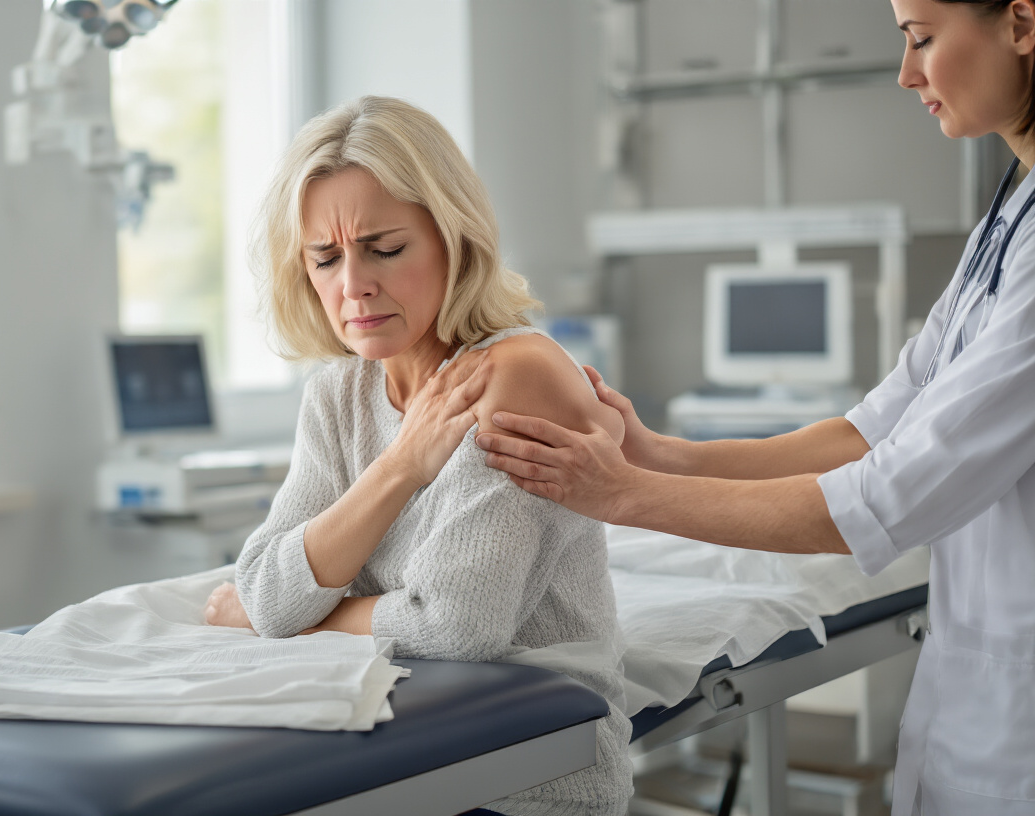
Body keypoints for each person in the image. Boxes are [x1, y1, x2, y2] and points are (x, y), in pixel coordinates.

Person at [472, 2, 1035, 814]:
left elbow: (884, 496)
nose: (907, 72)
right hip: (976, 690)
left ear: (1020, 23)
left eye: (921, 38)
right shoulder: (1005, 222)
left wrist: (621, 494)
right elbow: (865, 433)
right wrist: (656, 454)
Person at [203, 96, 634, 815]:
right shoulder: (338, 395)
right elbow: (262, 586)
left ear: (453, 238)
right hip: (386, 750)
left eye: (385, 248)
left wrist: (309, 612)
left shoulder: (516, 376)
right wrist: (402, 465)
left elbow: (456, 626)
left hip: (527, 778)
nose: (353, 285)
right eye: (325, 258)